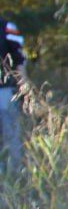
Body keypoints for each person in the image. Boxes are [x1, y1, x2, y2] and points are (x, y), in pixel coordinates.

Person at [0, 19, 25, 173]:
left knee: (11, 138)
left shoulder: (8, 27)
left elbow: (20, 58)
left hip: (5, 91)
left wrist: (24, 88)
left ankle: (15, 178)